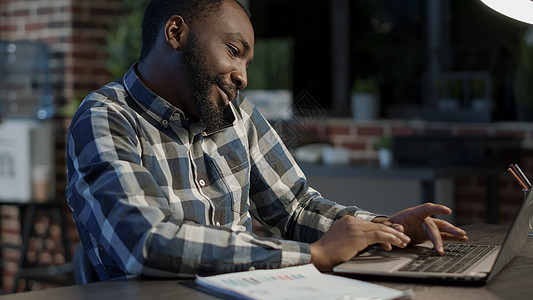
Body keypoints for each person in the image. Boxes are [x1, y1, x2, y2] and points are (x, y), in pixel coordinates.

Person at [65, 0, 468, 280]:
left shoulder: (238, 115)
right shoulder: (105, 117)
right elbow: (144, 243)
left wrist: (382, 229)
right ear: (175, 32)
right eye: (233, 51)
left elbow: (294, 208)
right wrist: (313, 256)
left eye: (247, 62)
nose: (243, 76)